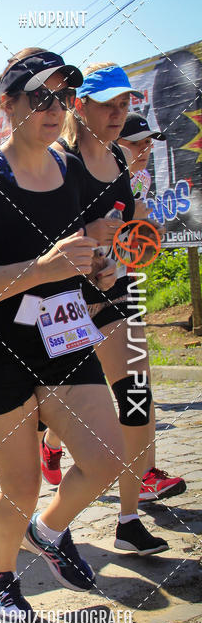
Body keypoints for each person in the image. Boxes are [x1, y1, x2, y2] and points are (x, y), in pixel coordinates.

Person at [0, 49, 127, 623]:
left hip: (62, 337)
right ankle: (2, 578)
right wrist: (43, 268)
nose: (54, 108)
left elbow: (78, 250)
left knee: (107, 458)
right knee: (21, 486)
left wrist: (100, 267)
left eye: (63, 97)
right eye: (40, 96)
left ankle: (46, 532)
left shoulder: (69, 170)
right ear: (8, 103)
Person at [44, 64, 175, 555]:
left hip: (115, 292)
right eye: (108, 105)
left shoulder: (121, 159)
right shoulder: (59, 161)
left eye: (125, 104)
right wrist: (86, 235)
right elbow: (38, 233)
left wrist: (137, 231)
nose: (119, 113)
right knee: (69, 412)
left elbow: (127, 219)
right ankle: (49, 456)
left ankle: (128, 519)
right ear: (81, 106)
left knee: (137, 395)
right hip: (63, 302)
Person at [118, 112, 186, 502]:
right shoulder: (88, 176)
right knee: (72, 392)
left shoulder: (140, 179)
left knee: (139, 383)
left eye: (148, 142)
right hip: (83, 296)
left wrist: (146, 233)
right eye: (136, 143)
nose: (144, 150)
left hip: (126, 288)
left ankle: (145, 475)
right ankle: (52, 443)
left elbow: (134, 230)